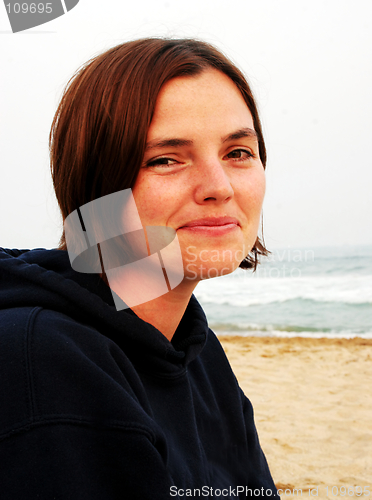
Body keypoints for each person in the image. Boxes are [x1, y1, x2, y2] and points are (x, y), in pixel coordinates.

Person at [0, 38, 279, 498]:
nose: (219, 186)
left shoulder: (195, 347)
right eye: (166, 159)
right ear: (96, 186)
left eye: (238, 153)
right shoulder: (42, 361)